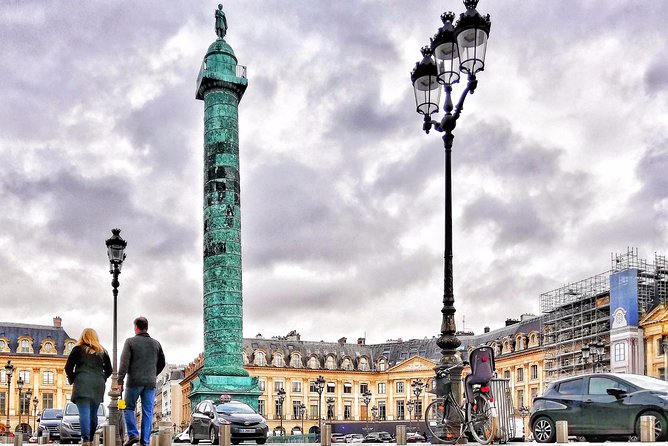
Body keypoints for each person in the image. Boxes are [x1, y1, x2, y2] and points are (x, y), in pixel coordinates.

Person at [118, 317, 166, 446]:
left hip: (133, 381)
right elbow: (162, 362)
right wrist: (153, 373)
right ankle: (145, 441)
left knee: (127, 408)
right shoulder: (156, 344)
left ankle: (133, 434)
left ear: (136, 327)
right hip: (150, 383)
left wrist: (119, 381)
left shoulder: (130, 342)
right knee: (147, 412)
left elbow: (124, 363)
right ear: (147, 327)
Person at [64, 328, 112, 446]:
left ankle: (86, 440)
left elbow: (68, 367)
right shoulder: (102, 351)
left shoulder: (77, 349)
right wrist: (102, 378)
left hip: (82, 383)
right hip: (97, 385)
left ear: (83, 337)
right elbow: (109, 370)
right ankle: (90, 439)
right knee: (93, 414)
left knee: (84, 413)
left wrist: (73, 378)